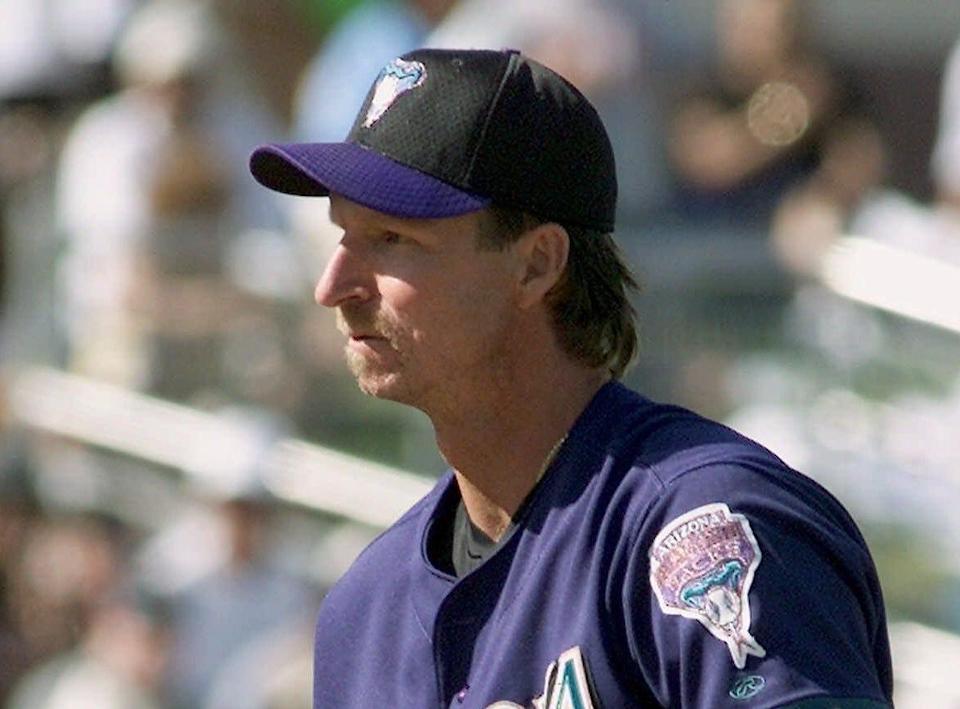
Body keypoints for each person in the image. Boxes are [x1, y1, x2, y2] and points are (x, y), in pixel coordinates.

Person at [249, 48, 893, 708]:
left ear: (535, 265)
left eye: (391, 239)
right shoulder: (363, 612)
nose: (335, 286)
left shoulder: (703, 530)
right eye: (342, 236)